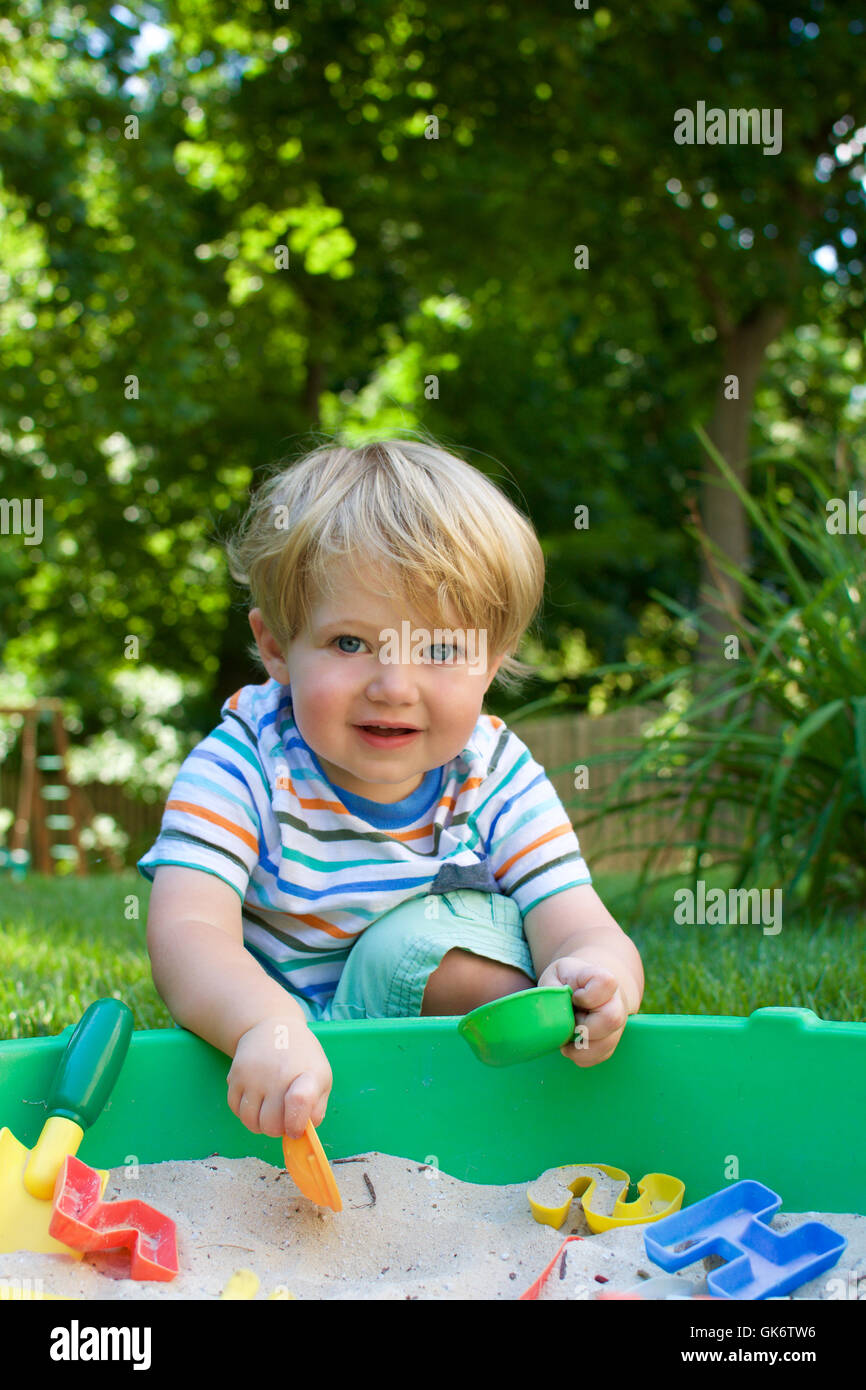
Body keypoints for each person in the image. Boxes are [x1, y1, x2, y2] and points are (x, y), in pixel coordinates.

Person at [139, 437, 644, 1144]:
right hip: (286, 1053)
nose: (394, 687)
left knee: (432, 951)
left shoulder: (492, 768)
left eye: (439, 651)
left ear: (490, 663)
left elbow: (578, 920)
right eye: (350, 644)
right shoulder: (243, 764)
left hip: (441, 1046)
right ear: (278, 647)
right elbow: (188, 931)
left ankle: (497, 1120)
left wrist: (600, 977)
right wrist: (264, 1022)